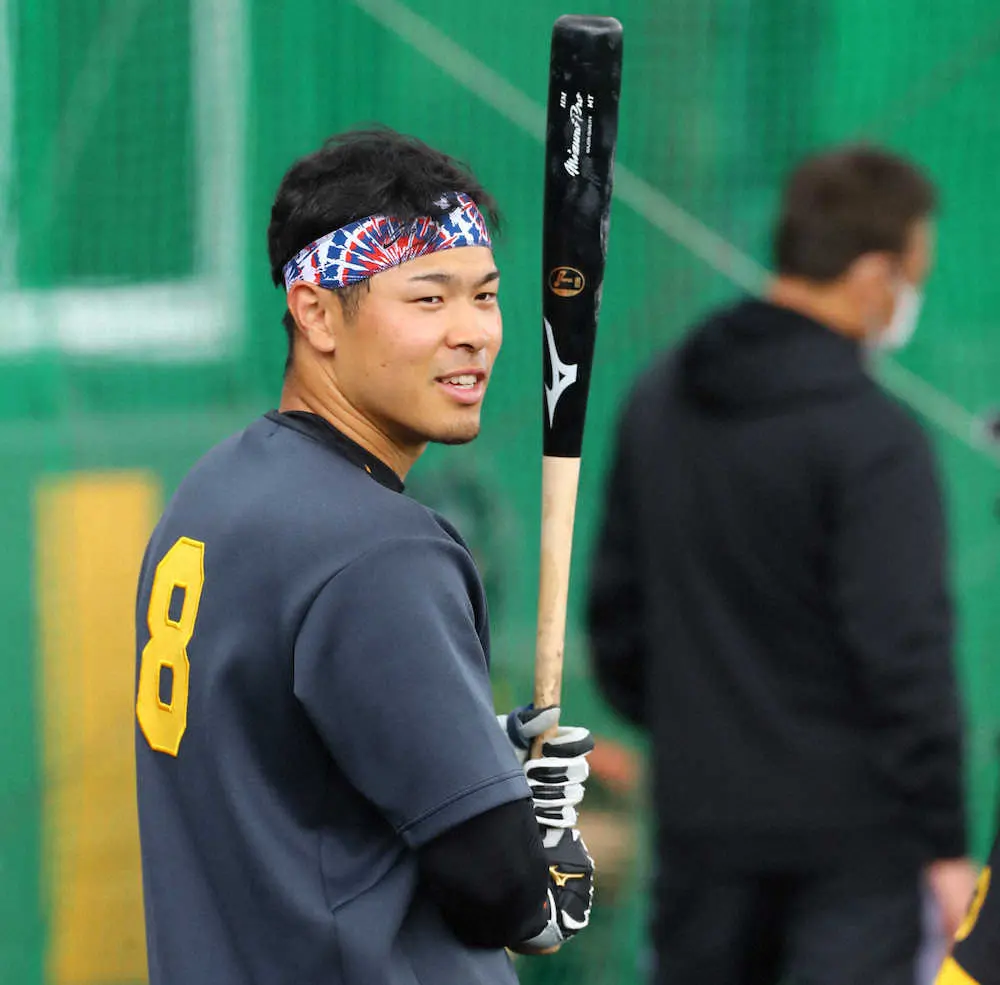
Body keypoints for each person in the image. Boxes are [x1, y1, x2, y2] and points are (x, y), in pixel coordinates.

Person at [133, 128, 594, 985]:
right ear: (315, 312)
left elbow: (285, 772)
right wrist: (542, 876)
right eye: (428, 299)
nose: (473, 334)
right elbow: (499, 893)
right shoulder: (380, 547)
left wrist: (477, 754)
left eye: (485, 296)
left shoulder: (213, 492)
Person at [587, 144, 977, 985]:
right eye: (914, 273)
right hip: (855, 847)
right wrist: (945, 842)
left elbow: (616, 623)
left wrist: (702, 731)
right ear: (875, 275)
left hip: (701, 828)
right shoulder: (875, 439)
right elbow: (906, 651)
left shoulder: (658, 399)